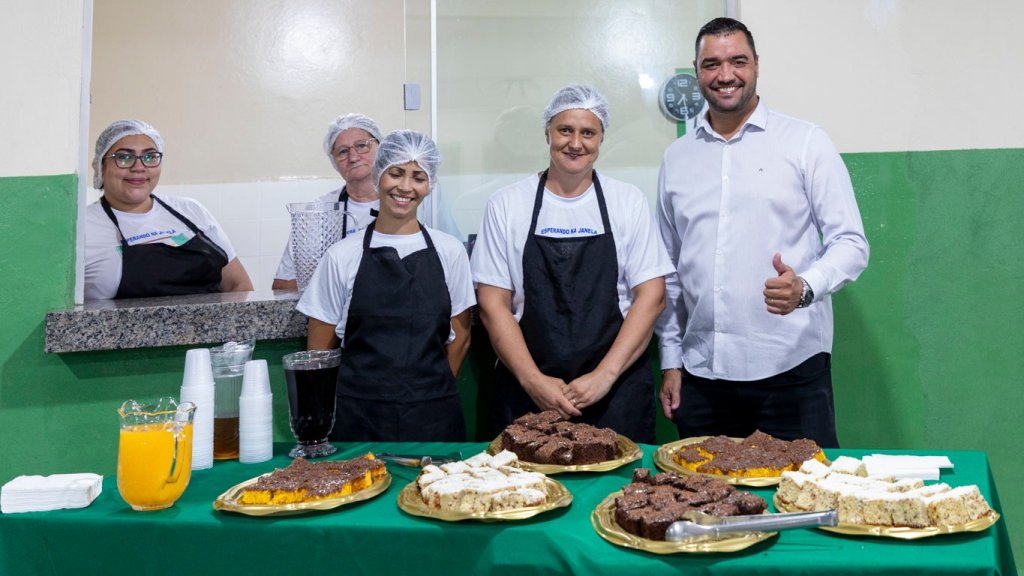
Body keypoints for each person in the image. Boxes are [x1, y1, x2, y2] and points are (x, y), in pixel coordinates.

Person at [655, 18, 870, 448]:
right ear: (697, 71)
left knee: (801, 489)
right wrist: (671, 361)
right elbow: (670, 272)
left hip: (791, 374)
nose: (725, 74)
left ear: (756, 64)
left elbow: (851, 243)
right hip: (702, 379)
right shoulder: (677, 157)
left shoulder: (805, 142)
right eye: (711, 64)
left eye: (738, 61)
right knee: (703, 491)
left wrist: (805, 286)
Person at [471, 84, 674, 443]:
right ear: (547, 133)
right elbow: (492, 304)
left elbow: (652, 296)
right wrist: (533, 381)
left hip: (616, 392)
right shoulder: (507, 204)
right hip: (527, 391)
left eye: (588, 133)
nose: (575, 143)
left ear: (601, 138)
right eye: (565, 130)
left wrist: (604, 376)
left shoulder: (627, 202)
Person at [297, 130, 475, 441]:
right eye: (396, 173)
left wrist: (432, 392)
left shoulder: (450, 252)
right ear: (378, 175)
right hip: (358, 417)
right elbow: (319, 351)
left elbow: (460, 337)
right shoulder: (342, 255)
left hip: (434, 416)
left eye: (418, 177)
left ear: (430, 185)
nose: (405, 187)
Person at [84, 119, 253, 300]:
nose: (139, 167)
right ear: (101, 166)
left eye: (150, 157)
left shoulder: (191, 210)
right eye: (124, 157)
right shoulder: (83, 227)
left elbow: (238, 285)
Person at [272, 113, 383, 290]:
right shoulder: (316, 215)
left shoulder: (403, 203)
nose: (353, 157)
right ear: (334, 162)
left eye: (362, 145)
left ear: (381, 148)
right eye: (343, 152)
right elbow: (281, 285)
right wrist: (330, 280)